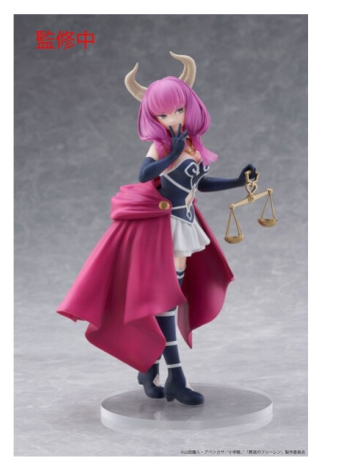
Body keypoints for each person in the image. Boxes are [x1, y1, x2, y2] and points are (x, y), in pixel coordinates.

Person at [57, 52, 256, 406]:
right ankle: (174, 376)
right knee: (165, 301)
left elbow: (200, 185)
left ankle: (149, 367)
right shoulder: (162, 145)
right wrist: (170, 154)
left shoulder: (191, 145)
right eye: (162, 115)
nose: (171, 118)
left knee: (166, 300)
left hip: (185, 224)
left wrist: (237, 182)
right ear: (153, 117)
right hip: (164, 230)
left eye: (177, 110)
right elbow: (144, 175)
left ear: (188, 106)